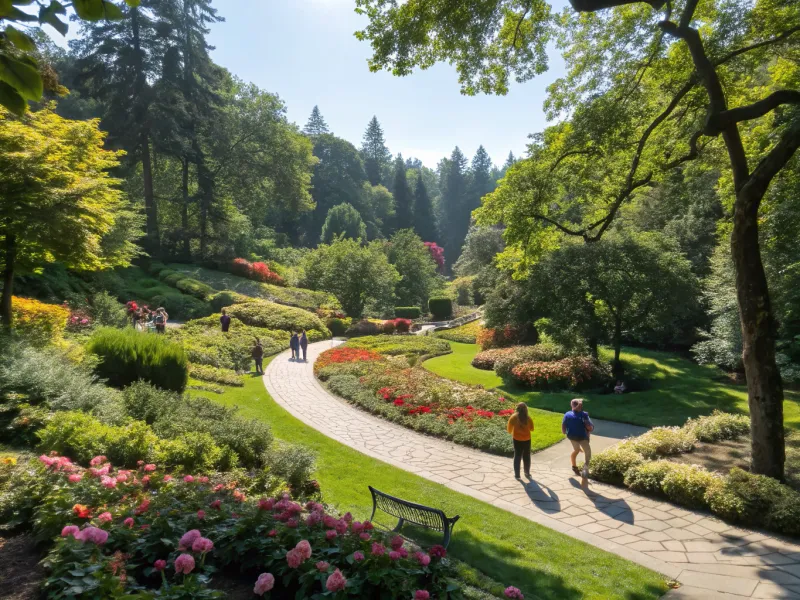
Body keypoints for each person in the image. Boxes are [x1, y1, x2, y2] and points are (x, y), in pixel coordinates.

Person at [562, 398, 594, 477]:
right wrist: (590, 429)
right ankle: (585, 469)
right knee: (588, 453)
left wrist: (564, 431)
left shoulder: (567, 414)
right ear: (581, 406)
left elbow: (563, 425)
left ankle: (574, 466)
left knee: (576, 450)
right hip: (583, 437)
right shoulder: (584, 415)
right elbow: (589, 427)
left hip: (572, 437)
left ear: (571, 405)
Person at [506, 402, 534, 479]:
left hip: (517, 439)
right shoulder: (528, 418)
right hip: (527, 439)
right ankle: (527, 473)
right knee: (527, 456)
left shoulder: (513, 417)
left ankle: (517, 475)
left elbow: (509, 429)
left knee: (517, 455)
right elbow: (532, 429)